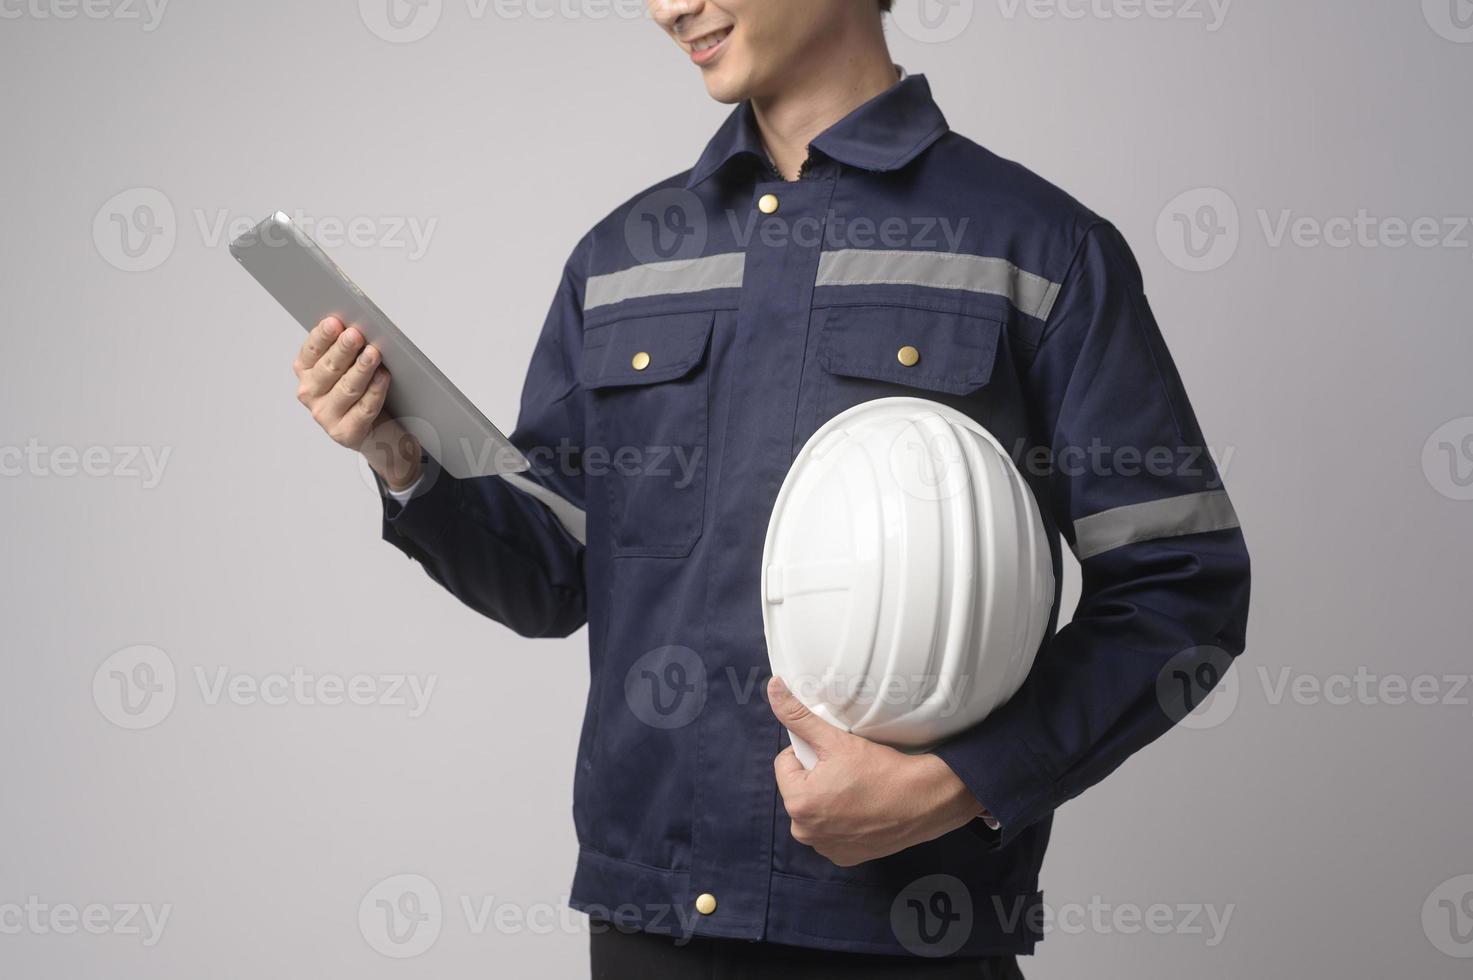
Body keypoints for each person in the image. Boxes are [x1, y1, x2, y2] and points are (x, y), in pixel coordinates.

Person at [288, 0, 1251, 974]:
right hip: (652, 922)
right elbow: (550, 576)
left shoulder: (1038, 247)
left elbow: (1182, 587)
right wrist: (401, 455)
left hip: (908, 929)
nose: (669, 7)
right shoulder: (622, 259)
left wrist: (964, 781)